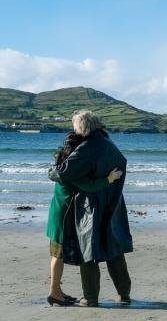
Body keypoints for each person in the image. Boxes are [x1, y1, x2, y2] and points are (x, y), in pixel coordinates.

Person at [51, 110, 133, 307]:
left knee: (88, 250)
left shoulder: (87, 147)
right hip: (113, 201)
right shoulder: (109, 143)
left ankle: (90, 297)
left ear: (82, 127)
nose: (73, 129)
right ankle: (124, 295)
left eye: (75, 126)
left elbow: (63, 172)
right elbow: (121, 164)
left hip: (91, 205)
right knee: (114, 250)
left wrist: (51, 172)